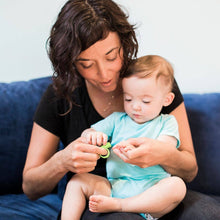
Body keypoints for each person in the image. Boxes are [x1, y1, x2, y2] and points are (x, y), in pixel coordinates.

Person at [22, 0, 198, 219]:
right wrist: (62, 161)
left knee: (209, 213)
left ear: (124, 44)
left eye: (111, 57)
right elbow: (30, 188)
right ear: (70, 63)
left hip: (155, 191)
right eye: (86, 64)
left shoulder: (152, 83)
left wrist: (163, 154)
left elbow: (190, 170)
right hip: (100, 195)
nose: (104, 74)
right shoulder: (59, 95)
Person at [61, 55, 187, 220]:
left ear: (167, 99)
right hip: (115, 187)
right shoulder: (116, 120)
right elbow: (88, 132)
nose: (135, 106)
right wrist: (93, 136)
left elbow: (165, 148)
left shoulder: (167, 122)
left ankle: (122, 205)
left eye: (146, 101)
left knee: (177, 186)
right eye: (128, 99)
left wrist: (139, 150)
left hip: (152, 191)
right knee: (77, 181)